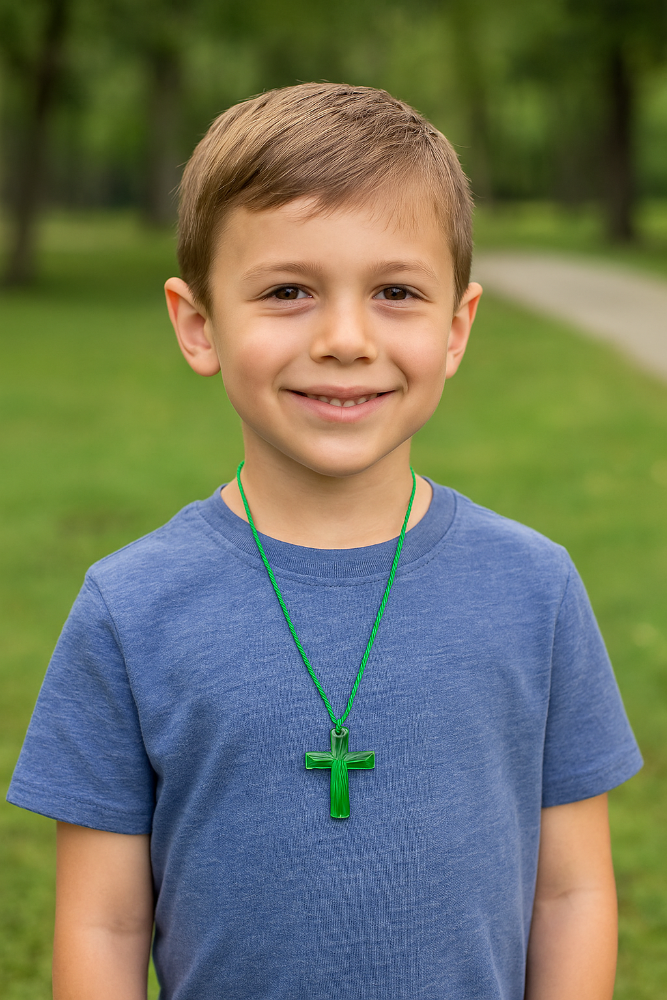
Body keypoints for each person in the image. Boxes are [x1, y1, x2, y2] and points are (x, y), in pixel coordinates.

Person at [8, 83, 641, 1000]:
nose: (345, 339)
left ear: (456, 327)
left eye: (394, 292)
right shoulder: (130, 607)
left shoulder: (533, 588)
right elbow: (103, 923)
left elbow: (572, 891)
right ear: (198, 324)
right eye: (287, 291)